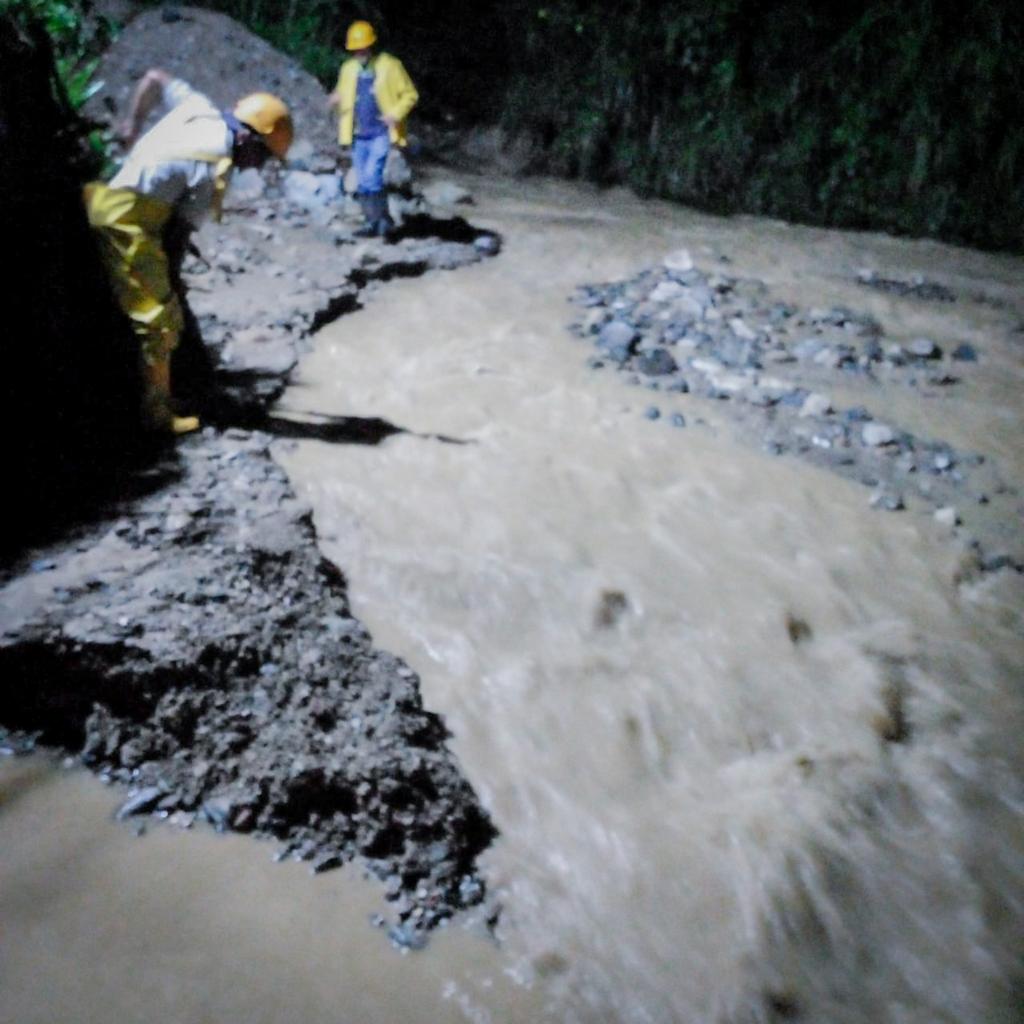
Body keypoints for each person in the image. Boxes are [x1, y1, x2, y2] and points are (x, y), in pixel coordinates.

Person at [84, 69, 293, 435]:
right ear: (245, 137)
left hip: (105, 198)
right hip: (124, 224)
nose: (257, 166)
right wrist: (170, 290)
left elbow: (154, 78)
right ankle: (157, 417)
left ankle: (181, 386)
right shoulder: (215, 168)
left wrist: (131, 126)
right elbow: (175, 239)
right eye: (261, 155)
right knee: (159, 321)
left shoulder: (200, 108)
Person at [328, 19, 418, 239]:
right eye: (355, 49)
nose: (359, 52)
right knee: (363, 182)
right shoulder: (348, 69)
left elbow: (410, 94)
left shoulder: (390, 66)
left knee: (372, 177)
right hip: (359, 134)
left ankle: (381, 224)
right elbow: (343, 92)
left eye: (362, 48)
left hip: (380, 133)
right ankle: (375, 223)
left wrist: (394, 115)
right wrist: (336, 97)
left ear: (371, 45)